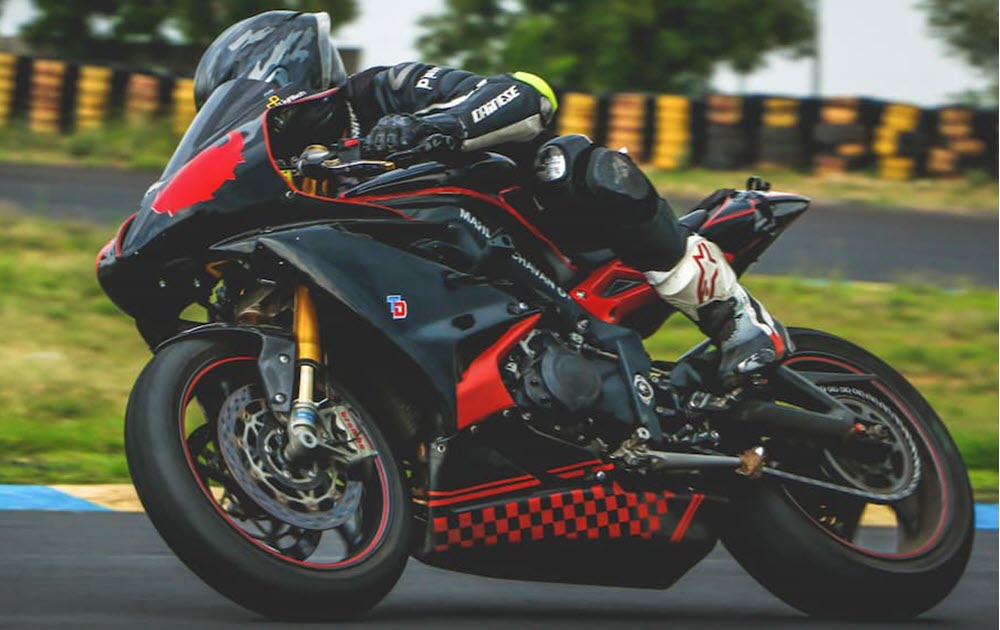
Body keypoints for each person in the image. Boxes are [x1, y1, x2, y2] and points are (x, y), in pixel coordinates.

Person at [197, 11, 791, 386]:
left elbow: (524, 93)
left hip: (527, 231)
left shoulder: (379, 90)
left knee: (570, 162)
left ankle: (740, 325)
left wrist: (436, 125)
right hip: (419, 287)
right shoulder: (286, 177)